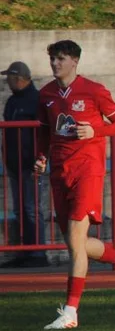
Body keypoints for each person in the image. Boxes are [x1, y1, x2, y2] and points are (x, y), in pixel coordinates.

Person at [35, 41, 115, 330]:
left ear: (75, 61)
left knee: (75, 242)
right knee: (75, 242)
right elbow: (44, 132)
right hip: (60, 172)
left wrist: (97, 129)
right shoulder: (45, 94)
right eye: (53, 59)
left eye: (61, 58)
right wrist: (41, 157)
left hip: (88, 171)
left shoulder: (93, 90)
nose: (55, 64)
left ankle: (71, 312)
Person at [2, 61, 47, 267]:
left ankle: (37, 253)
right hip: (14, 161)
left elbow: (42, 132)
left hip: (30, 163)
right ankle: (25, 251)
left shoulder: (36, 100)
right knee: (21, 209)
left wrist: (40, 157)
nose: (7, 82)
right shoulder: (12, 101)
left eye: (9, 78)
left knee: (31, 208)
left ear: (18, 78)